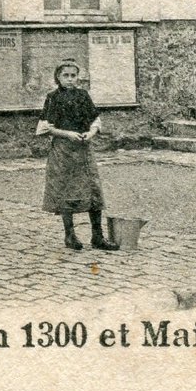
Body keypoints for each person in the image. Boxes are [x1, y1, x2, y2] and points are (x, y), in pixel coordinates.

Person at [36, 61, 118, 252]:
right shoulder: (53, 98)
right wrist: (67, 134)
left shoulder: (83, 96)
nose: (70, 79)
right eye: (66, 76)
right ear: (58, 77)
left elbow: (95, 119)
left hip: (83, 148)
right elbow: (45, 127)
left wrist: (90, 133)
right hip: (64, 150)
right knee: (66, 190)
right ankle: (70, 235)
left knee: (93, 189)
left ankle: (97, 236)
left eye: (74, 75)